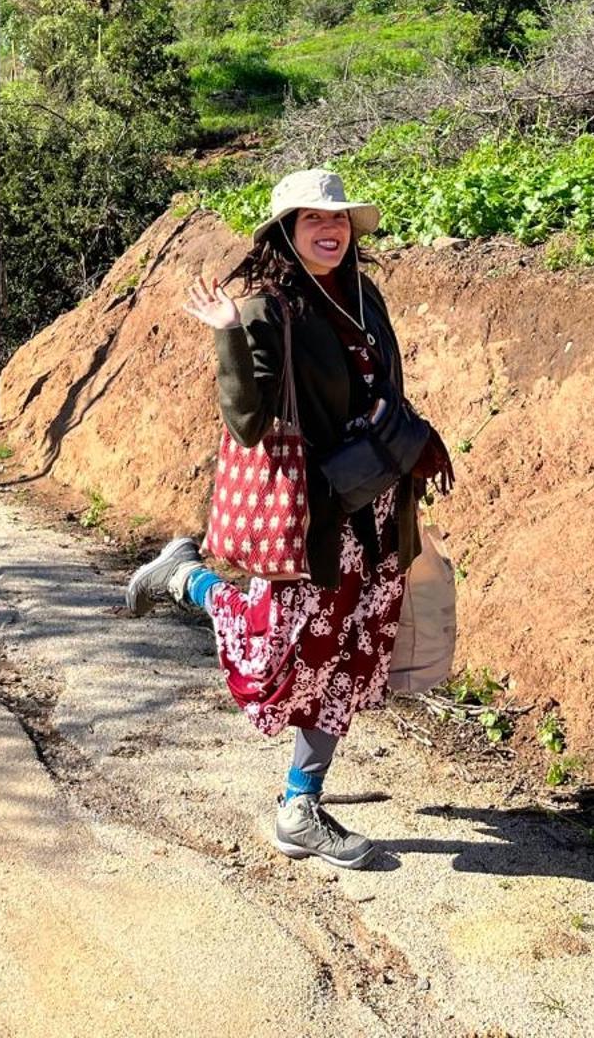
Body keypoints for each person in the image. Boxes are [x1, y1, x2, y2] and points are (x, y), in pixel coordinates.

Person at [124, 168, 455, 870]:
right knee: (276, 651)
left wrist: (413, 441)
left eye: (338, 220)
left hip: (378, 506)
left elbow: (383, 388)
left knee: (352, 654)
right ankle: (186, 581)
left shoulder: (366, 297)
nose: (330, 230)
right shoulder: (268, 309)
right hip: (317, 517)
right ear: (286, 232)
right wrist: (228, 337)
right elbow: (246, 421)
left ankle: (300, 804)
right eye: (313, 222)